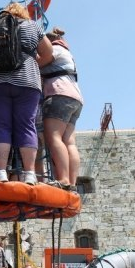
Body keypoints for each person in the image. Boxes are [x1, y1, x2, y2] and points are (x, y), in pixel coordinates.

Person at [0, 2, 54, 184]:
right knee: (26, 125)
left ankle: (0, 171)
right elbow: (48, 54)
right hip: (27, 81)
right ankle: (29, 174)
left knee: (0, 126)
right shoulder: (32, 26)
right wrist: (30, 63)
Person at [39, 27, 83, 190]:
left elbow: (37, 63)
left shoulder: (54, 50)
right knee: (69, 142)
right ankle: (71, 182)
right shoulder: (67, 53)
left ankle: (63, 179)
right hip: (75, 97)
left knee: (54, 137)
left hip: (59, 94)